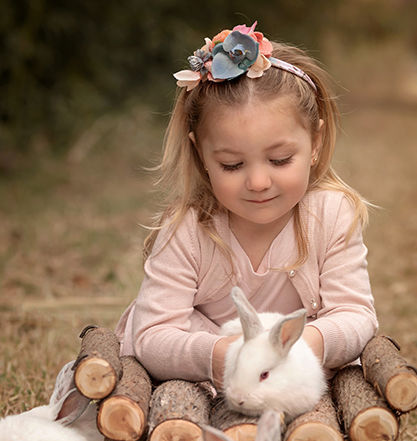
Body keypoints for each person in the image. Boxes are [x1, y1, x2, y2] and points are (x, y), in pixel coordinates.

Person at [115, 22, 377, 389]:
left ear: (315, 143)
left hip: (287, 380)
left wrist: (294, 349)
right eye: (232, 165)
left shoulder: (330, 215)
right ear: (200, 153)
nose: (257, 182)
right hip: (199, 383)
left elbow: (355, 315)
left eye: (280, 159)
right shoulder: (187, 230)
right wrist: (231, 356)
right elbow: (152, 336)